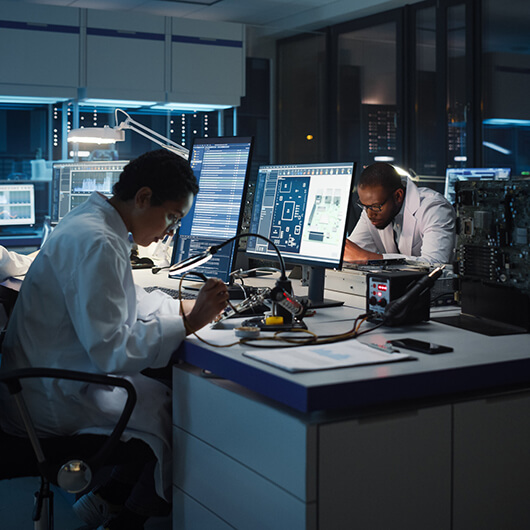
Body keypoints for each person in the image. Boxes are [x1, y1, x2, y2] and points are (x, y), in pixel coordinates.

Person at [0, 149, 229, 530]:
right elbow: (112, 351)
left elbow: (120, 299)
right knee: (176, 410)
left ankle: (107, 499)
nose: (170, 231)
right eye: (172, 217)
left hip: (37, 384)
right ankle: (128, 517)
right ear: (142, 198)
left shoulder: (90, 223)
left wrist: (182, 308)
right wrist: (190, 323)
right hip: (50, 400)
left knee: (157, 397)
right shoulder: (100, 241)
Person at [343, 162, 456, 265]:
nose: (369, 214)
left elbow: (436, 263)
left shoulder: (434, 208)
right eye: (365, 206)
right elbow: (353, 253)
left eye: (375, 207)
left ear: (398, 196)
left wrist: (370, 258)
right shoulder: (371, 208)